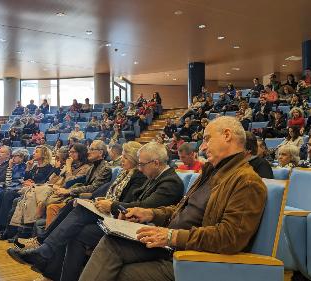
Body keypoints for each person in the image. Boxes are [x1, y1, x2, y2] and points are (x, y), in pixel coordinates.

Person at [69, 116, 267, 281]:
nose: (203, 147)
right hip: (172, 244)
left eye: (207, 139)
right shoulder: (212, 172)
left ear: (227, 135)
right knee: (112, 241)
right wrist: (150, 214)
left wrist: (172, 236)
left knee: (121, 273)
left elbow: (229, 238)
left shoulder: (246, 181)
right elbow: (183, 210)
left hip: (193, 257)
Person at [7, 142, 185, 280]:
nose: (139, 168)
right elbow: (136, 202)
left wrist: (112, 205)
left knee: (79, 220)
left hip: (144, 232)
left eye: (142, 164)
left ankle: (44, 250)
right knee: (78, 226)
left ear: (155, 163)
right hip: (130, 222)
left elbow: (144, 207)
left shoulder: (169, 182)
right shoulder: (153, 176)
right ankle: (48, 259)